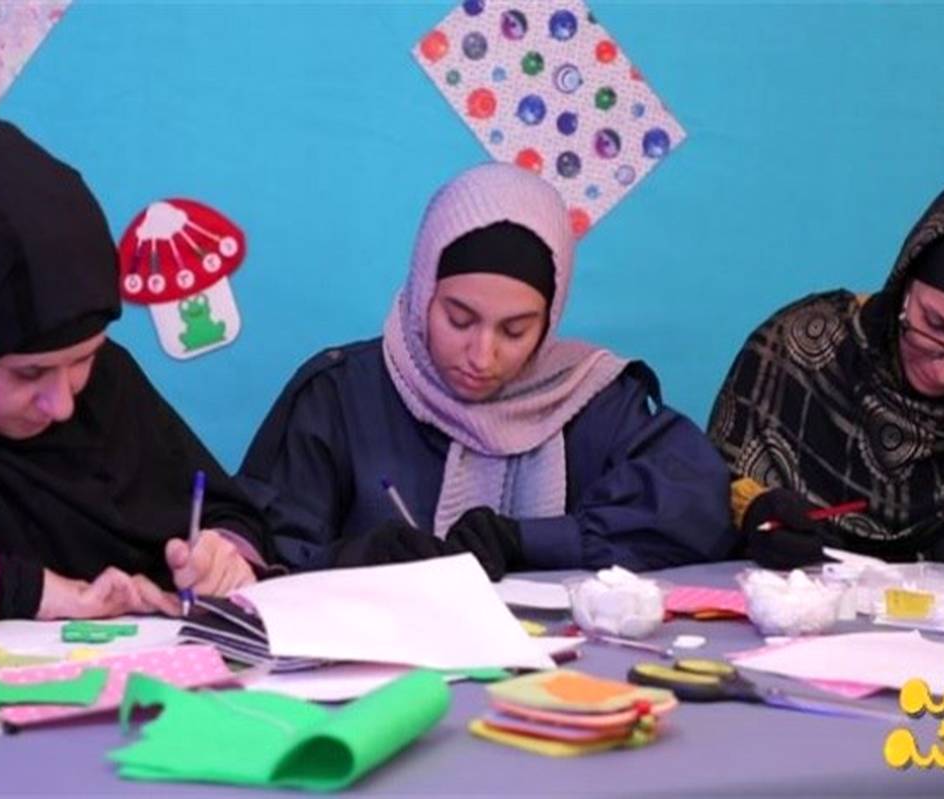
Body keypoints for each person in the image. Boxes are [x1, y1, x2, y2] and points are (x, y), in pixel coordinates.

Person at [237, 162, 734, 579]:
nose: (481, 355)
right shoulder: (340, 396)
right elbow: (261, 564)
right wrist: (357, 559)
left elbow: (695, 514)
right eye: (459, 319)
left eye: (515, 331)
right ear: (423, 293)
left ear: (550, 321)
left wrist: (525, 542)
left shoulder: (590, 398)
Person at [0, 118, 270, 632]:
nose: (63, 405)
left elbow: (222, 513)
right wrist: (19, 589)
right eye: (30, 372)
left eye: (84, 360)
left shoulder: (108, 382)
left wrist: (222, 557)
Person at [707, 171, 944, 569]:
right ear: (905, 283)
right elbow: (704, 494)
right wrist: (752, 512)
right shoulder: (799, 349)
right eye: (934, 325)